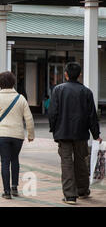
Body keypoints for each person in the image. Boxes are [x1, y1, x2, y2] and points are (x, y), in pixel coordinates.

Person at [48, 62, 102, 205]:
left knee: (66, 163)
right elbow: (92, 116)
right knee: (81, 162)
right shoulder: (86, 92)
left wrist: (54, 129)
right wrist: (96, 134)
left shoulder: (58, 90)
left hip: (63, 133)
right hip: (81, 133)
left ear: (65, 74)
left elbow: (52, 112)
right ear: (80, 75)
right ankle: (83, 190)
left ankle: (70, 196)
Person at [0, 71, 35, 200]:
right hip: (17, 135)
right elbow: (29, 118)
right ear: (13, 82)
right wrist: (30, 134)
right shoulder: (21, 98)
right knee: (15, 159)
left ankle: (6, 191)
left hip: (2, 135)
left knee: (4, 162)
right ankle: (14, 187)